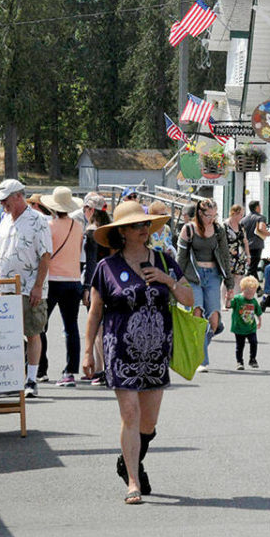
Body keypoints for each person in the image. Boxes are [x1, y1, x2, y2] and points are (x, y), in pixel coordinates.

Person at [83, 200, 191, 504]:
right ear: (122, 232)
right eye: (136, 225)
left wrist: (168, 280)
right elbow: (95, 311)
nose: (143, 229)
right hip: (120, 350)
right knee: (130, 414)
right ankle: (132, 480)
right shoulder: (106, 268)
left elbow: (188, 297)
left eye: (145, 224)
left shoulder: (165, 260)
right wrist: (88, 350)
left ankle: (128, 460)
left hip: (156, 350)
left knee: (148, 423)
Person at [0, 179, 53, 399]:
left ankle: (31, 380)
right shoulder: (5, 220)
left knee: (33, 332)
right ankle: (13, 379)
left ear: (18, 196)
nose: (3, 204)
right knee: (9, 336)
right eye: (1, 201)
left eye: (5, 200)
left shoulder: (38, 220)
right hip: (6, 287)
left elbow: (46, 255)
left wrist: (37, 286)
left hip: (29, 288)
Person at [176, 198, 232, 372]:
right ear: (200, 213)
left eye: (215, 215)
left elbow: (224, 256)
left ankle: (197, 347)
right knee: (197, 313)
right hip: (193, 276)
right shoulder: (188, 230)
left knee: (214, 321)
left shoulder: (218, 230)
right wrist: (177, 282)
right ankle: (202, 360)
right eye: (209, 215)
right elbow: (181, 258)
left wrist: (229, 282)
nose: (212, 218)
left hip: (213, 276)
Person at [42, 186, 85, 388]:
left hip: (52, 280)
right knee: (71, 327)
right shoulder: (78, 226)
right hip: (73, 280)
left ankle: (39, 367)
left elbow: (46, 254)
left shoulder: (48, 226)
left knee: (41, 325)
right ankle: (70, 371)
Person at [82, 207, 112, 386]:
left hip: (97, 280)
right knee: (104, 326)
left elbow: (91, 261)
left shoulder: (91, 234)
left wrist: (87, 286)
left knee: (97, 326)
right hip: (112, 278)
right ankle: (103, 367)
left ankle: (101, 369)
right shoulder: (110, 233)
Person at [230, 275, 263, 370]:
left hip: (251, 327)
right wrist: (228, 298)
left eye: (252, 293)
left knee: (254, 342)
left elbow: (258, 312)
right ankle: (239, 361)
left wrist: (259, 321)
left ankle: (252, 359)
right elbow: (229, 305)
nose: (250, 295)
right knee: (240, 346)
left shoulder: (253, 301)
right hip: (239, 327)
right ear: (242, 289)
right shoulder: (237, 299)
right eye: (248, 293)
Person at [223, 203, 252, 306]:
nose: (242, 217)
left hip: (240, 255)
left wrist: (248, 255)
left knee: (239, 278)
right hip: (228, 255)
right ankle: (224, 302)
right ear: (234, 213)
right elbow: (221, 241)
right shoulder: (225, 225)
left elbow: (245, 241)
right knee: (227, 278)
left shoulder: (241, 226)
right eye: (240, 215)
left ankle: (234, 301)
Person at [240, 200, 269, 280]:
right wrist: (267, 233)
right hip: (256, 245)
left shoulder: (243, 220)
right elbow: (260, 228)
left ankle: (257, 288)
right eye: (259, 206)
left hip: (246, 245)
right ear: (256, 208)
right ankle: (246, 284)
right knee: (253, 268)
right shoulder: (260, 217)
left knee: (252, 266)